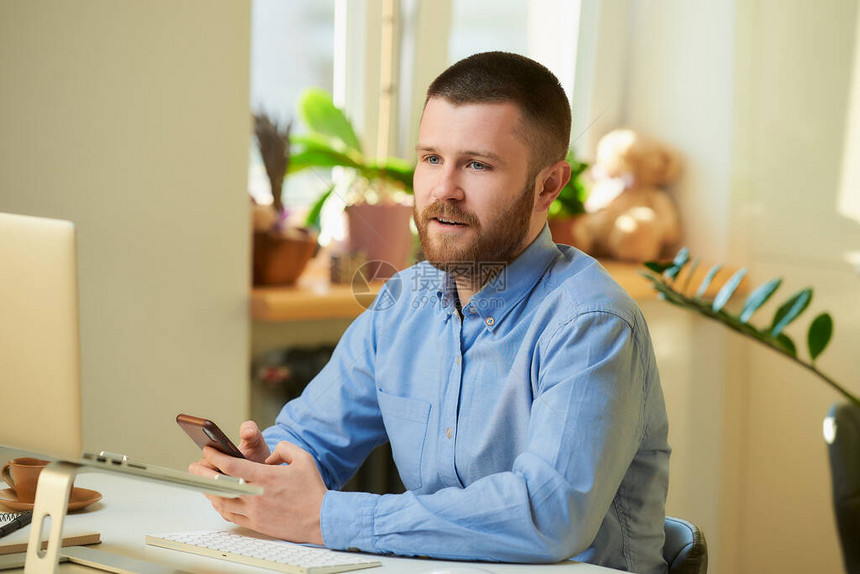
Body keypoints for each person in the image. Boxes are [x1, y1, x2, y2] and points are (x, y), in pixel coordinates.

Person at [190, 51, 671, 573]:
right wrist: (263, 473)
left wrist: (325, 517)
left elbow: (548, 514)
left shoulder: (591, 322)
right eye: (431, 158)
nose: (444, 190)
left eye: (478, 164)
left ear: (548, 186)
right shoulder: (403, 304)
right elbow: (309, 439)